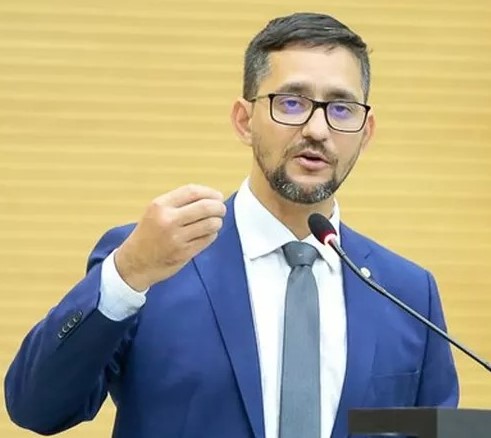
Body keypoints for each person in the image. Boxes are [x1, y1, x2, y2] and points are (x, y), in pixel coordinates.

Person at [4, 11, 458, 438]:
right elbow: (37, 408)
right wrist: (126, 276)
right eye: (292, 102)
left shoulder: (407, 293)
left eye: (341, 109)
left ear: (366, 131)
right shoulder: (153, 261)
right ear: (244, 121)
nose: (318, 130)